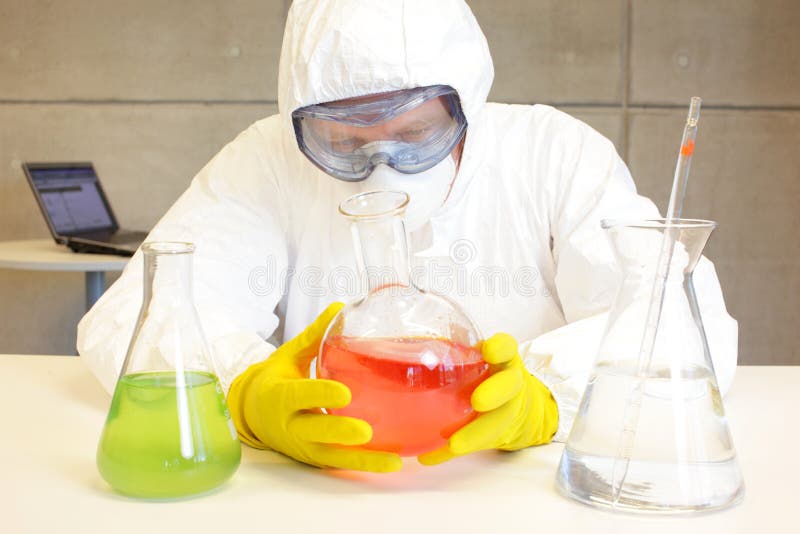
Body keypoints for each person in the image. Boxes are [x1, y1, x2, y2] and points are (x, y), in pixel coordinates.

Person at [77, 0, 738, 472]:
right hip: (328, 501)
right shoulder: (268, 160)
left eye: (417, 133)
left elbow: (688, 323)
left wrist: (545, 395)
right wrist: (245, 392)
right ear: (300, 123)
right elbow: (127, 320)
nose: (382, 167)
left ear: (464, 102)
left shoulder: (554, 155)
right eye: (342, 141)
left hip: (532, 498)